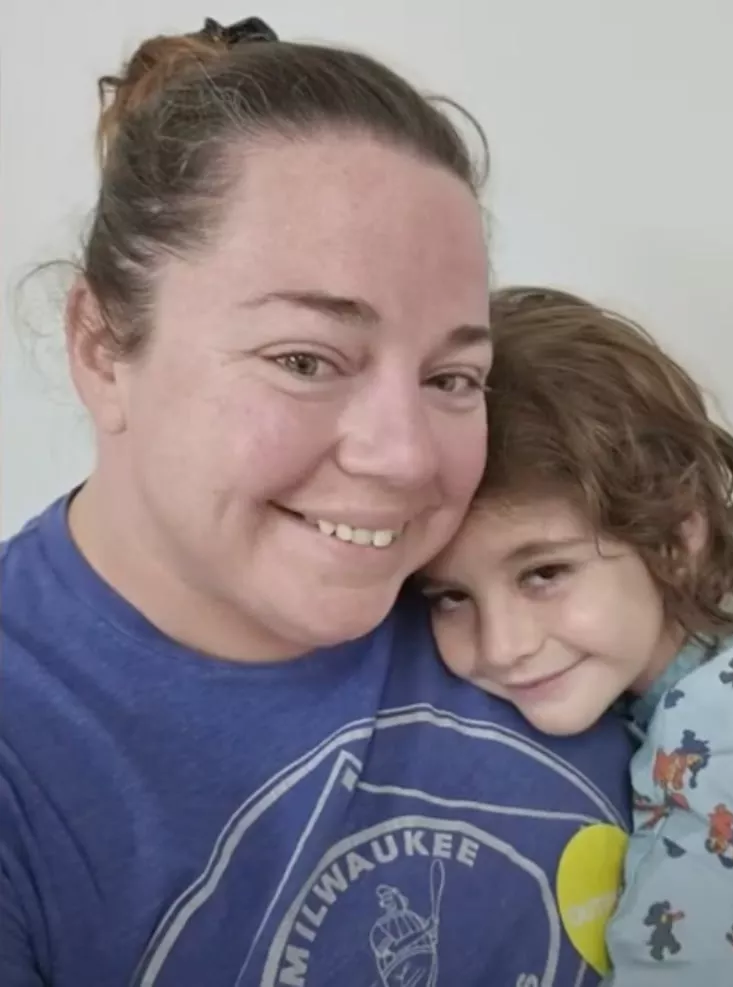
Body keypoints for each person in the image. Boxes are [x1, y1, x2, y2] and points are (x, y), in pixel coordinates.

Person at [0, 20, 634, 987]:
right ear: (101, 347)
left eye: (453, 376)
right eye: (304, 359)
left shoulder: (509, 569)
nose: (405, 458)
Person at [421, 286, 733, 985]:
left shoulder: (721, 765)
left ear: (673, 539)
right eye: (449, 595)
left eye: (543, 573)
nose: (501, 643)